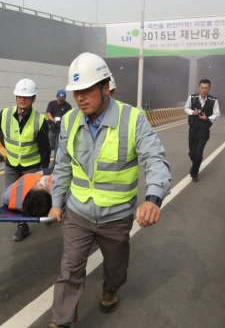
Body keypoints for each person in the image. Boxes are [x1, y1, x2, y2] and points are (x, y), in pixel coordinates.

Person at [47, 52, 171, 328]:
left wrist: (153, 199)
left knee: (115, 267)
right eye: (76, 92)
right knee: (70, 269)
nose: (80, 98)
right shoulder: (69, 121)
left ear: (105, 88)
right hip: (78, 213)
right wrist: (57, 202)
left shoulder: (132, 119)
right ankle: (61, 322)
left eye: (87, 90)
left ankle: (111, 287)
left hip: (116, 217)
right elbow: (63, 166)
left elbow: (155, 159)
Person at [0, 78, 50, 242]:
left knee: (31, 197)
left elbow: (45, 148)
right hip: (12, 165)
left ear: (33, 99)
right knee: (14, 197)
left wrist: (44, 170)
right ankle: (23, 226)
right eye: (19, 96)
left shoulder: (40, 120)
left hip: (31, 167)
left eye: (26, 97)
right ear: (15, 97)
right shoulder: (5, 114)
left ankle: (45, 210)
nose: (22, 99)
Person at [184, 79, 220, 182]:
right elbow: (186, 108)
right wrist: (193, 112)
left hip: (204, 130)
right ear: (199, 88)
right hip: (193, 128)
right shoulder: (192, 97)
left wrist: (207, 118)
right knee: (192, 152)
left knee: (198, 152)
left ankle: (194, 173)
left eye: (206, 88)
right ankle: (194, 164)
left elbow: (217, 114)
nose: (204, 90)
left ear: (209, 89)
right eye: (202, 88)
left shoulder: (214, 100)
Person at [45, 90, 72, 166]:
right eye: (59, 99)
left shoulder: (68, 106)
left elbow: (68, 117)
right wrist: (53, 120)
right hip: (53, 127)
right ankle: (55, 159)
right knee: (52, 144)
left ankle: (55, 163)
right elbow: (48, 113)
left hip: (61, 129)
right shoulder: (51, 104)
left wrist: (63, 124)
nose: (61, 101)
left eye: (62, 99)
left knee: (57, 146)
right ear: (56, 97)